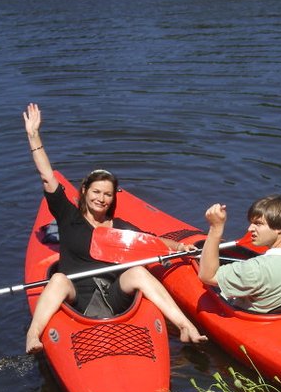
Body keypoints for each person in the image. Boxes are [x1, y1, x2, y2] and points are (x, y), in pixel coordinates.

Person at [22, 103, 207, 354]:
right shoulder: (68, 216)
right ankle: (33, 335)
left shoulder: (119, 228)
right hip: (76, 294)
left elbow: (153, 242)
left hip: (113, 294)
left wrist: (180, 247)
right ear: (84, 191)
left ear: (113, 198)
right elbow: (47, 176)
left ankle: (185, 326)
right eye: (96, 192)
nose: (102, 198)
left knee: (139, 272)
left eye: (107, 194)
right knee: (57, 279)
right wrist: (34, 136)